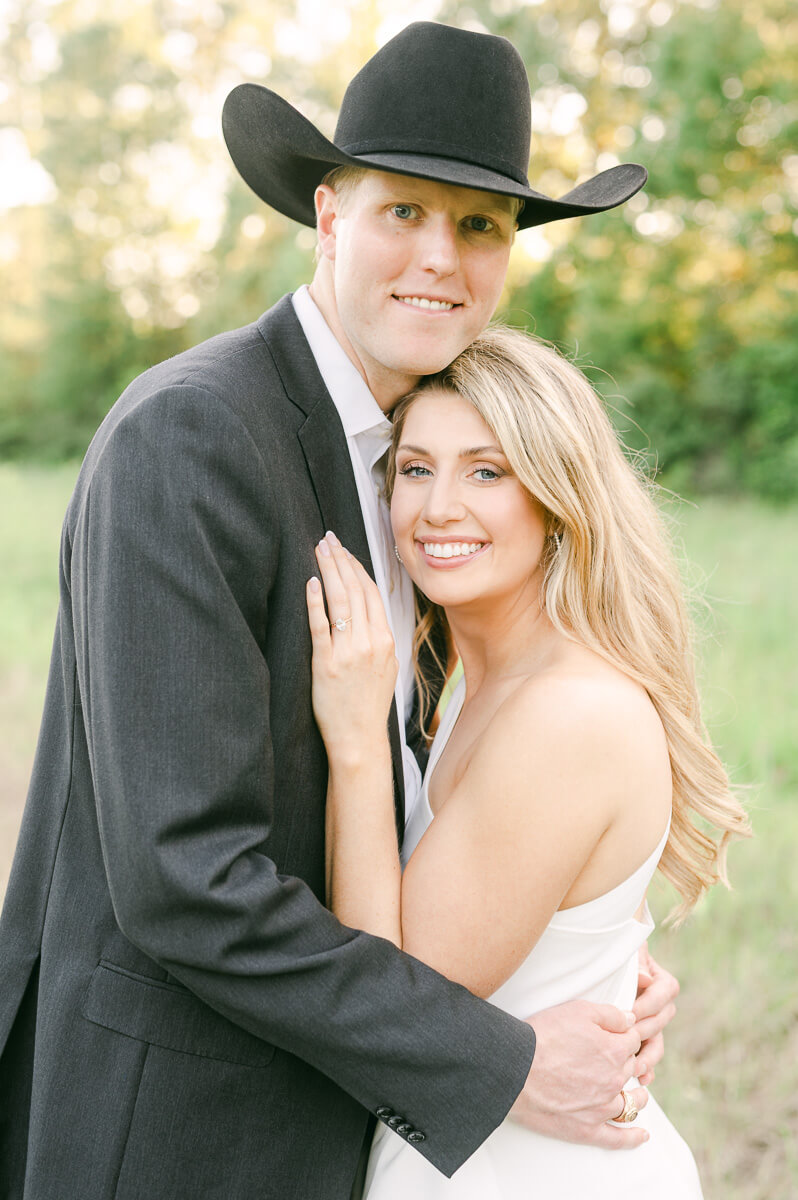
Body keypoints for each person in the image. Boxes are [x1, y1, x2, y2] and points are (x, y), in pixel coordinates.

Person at [0, 22, 678, 1200]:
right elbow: (185, 877)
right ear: (328, 216)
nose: (439, 258)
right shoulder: (198, 433)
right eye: (402, 212)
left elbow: (434, 806)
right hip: (183, 1129)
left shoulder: (418, 463)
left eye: (479, 226)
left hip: (338, 1120)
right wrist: (504, 1057)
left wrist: (583, 972)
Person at [306, 326, 750, 1197]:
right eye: (415, 468)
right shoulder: (486, 682)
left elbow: (393, 1004)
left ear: (555, 496)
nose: (437, 509)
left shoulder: (566, 711)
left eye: (486, 471)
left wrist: (356, 743)